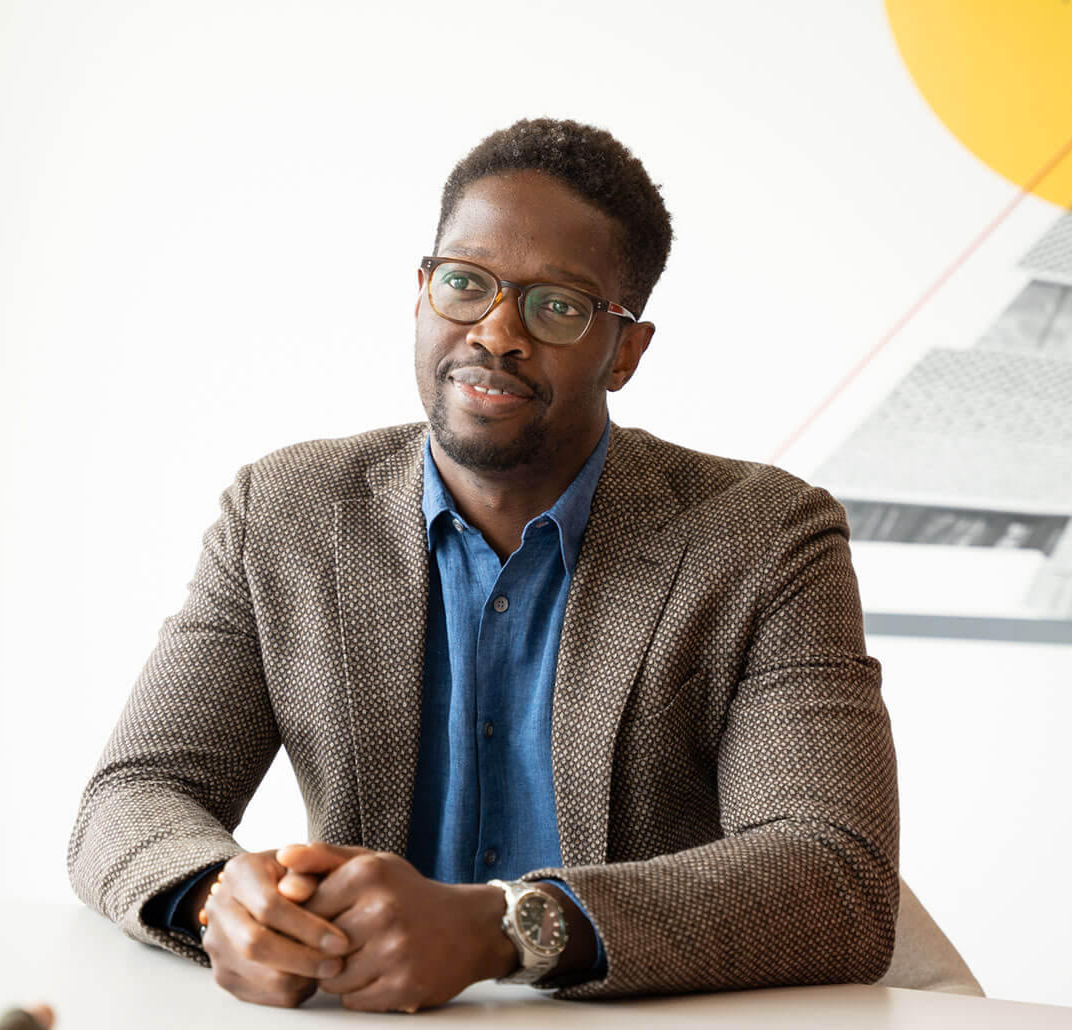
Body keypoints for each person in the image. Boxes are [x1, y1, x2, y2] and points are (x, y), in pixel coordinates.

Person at [67, 117, 900, 1014]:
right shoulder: (283, 511)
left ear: (624, 349)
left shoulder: (765, 537)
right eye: (465, 283)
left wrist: (505, 928)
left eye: (557, 305)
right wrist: (221, 900)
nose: (497, 332)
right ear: (422, 293)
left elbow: (833, 871)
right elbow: (137, 793)